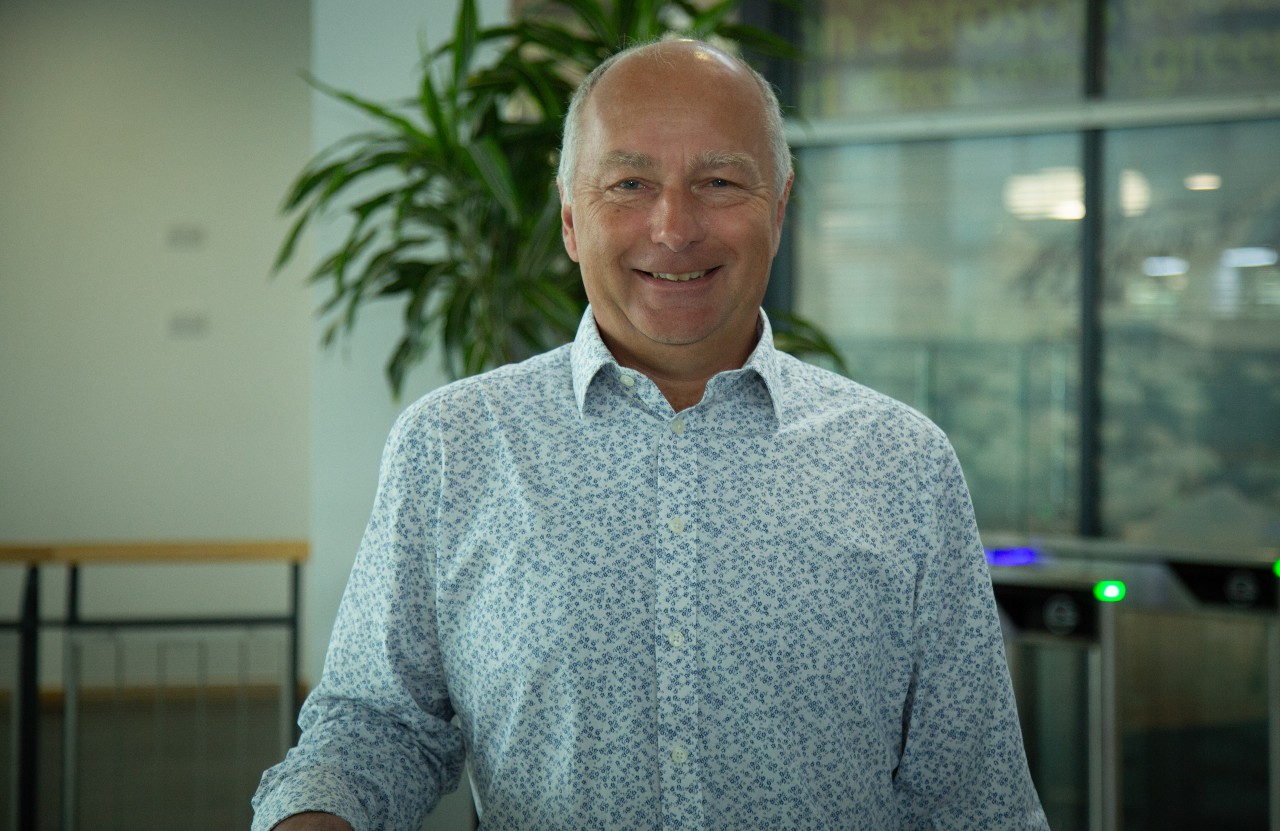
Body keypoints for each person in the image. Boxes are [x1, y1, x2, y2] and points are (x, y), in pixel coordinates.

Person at [253, 37, 1048, 831]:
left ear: (779, 206)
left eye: (719, 181)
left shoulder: (900, 462)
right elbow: (377, 725)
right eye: (629, 183)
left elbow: (973, 788)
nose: (673, 227)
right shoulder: (454, 444)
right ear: (570, 218)